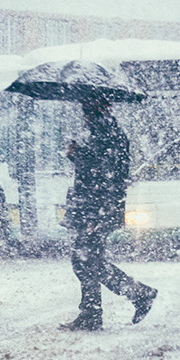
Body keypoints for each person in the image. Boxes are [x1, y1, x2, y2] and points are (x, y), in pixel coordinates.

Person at [60, 96, 157, 331]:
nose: (83, 114)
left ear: (92, 110)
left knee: (85, 259)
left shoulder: (104, 134)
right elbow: (107, 171)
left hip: (96, 207)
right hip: (96, 206)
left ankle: (137, 294)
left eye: (86, 109)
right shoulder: (104, 132)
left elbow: (102, 173)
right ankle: (93, 312)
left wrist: (77, 155)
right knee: (88, 259)